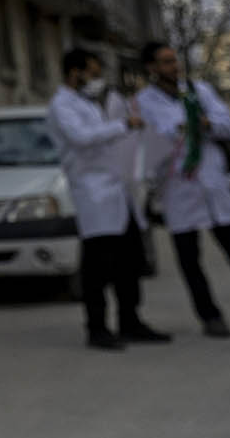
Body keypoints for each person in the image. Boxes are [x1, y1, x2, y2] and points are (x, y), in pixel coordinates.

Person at [134, 44, 230, 339]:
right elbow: (151, 140)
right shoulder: (143, 101)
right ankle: (210, 316)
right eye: (165, 62)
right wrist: (181, 128)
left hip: (212, 181)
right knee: (190, 260)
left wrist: (204, 123)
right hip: (179, 185)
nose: (174, 67)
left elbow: (225, 124)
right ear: (151, 67)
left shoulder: (198, 91)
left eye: (174, 60)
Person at [48, 48, 171, 350]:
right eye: (92, 73)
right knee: (98, 266)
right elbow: (81, 137)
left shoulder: (87, 103)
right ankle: (97, 328)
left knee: (129, 262)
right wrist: (123, 125)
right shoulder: (61, 105)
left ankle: (130, 321)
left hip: (117, 190)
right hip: (92, 193)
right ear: (74, 72)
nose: (97, 79)